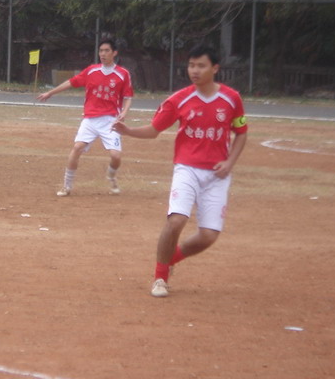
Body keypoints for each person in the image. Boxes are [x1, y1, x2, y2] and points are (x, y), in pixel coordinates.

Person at [113, 44, 248, 297]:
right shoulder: (179, 99)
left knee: (208, 236)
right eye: (191, 65)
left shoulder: (232, 99)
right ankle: (160, 278)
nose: (194, 70)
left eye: (201, 66)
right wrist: (128, 131)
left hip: (217, 174)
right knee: (176, 220)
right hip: (187, 169)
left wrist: (230, 162)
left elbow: (241, 132)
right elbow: (154, 130)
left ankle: (170, 258)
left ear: (215, 68)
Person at [37, 39, 133, 196]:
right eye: (101, 51)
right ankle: (66, 186)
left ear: (114, 53)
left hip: (111, 121)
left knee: (115, 156)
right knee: (77, 148)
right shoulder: (91, 71)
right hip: (90, 119)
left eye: (106, 50)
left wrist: (124, 112)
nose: (103, 54)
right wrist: (50, 93)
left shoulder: (123, 74)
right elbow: (71, 82)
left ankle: (111, 175)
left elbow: (128, 97)